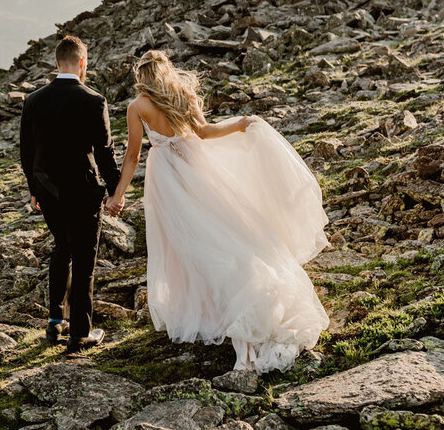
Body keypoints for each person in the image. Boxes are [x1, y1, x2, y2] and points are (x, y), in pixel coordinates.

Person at [104, 50, 329, 372]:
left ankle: (225, 314)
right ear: (166, 71)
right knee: (219, 230)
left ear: (141, 76)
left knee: (190, 243)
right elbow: (206, 133)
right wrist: (241, 124)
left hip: (167, 175)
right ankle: (235, 313)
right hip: (196, 166)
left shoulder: (137, 106)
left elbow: (133, 156)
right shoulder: (182, 94)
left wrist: (118, 195)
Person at [19, 35, 120, 354]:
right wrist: (116, 190)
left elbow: (26, 151)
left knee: (62, 247)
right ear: (81, 63)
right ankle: (80, 333)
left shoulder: (33, 100)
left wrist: (34, 189)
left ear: (56, 62)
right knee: (85, 258)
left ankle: (55, 321)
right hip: (83, 192)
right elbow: (104, 153)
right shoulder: (94, 100)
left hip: (48, 191)